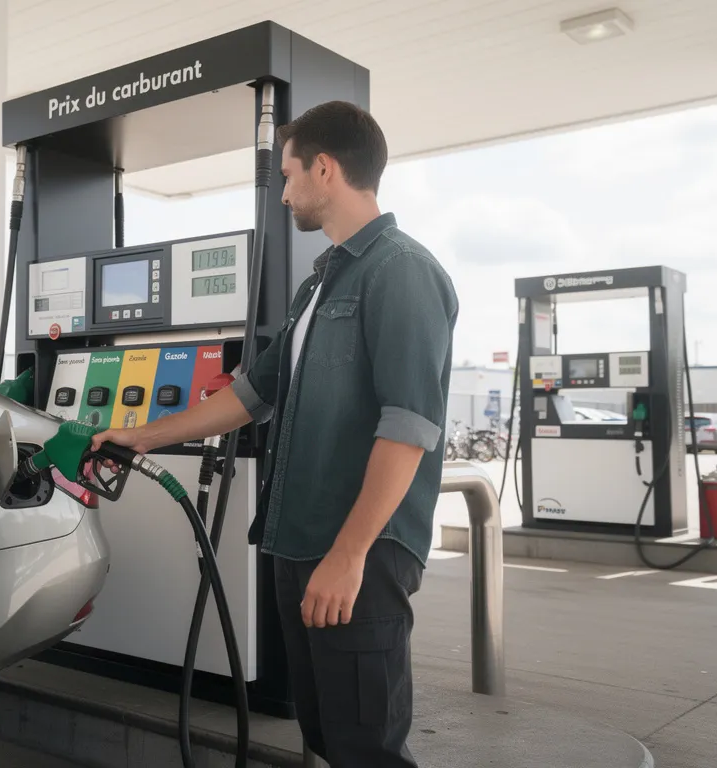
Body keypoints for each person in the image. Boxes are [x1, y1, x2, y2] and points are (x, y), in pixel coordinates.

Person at [90, 100, 459, 767]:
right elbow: (249, 397)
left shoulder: (401, 271)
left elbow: (408, 431)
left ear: (325, 169)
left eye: (289, 176)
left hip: (359, 553)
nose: (284, 194)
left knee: (365, 746)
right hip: (298, 545)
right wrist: (143, 436)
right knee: (323, 733)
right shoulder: (321, 282)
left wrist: (348, 557)